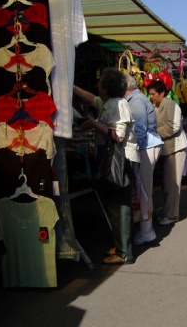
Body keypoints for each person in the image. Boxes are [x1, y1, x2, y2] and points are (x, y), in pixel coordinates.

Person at [73, 68, 140, 265]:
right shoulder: (110, 102)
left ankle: (125, 252)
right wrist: (71, 87)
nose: (97, 87)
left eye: (100, 84)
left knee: (120, 206)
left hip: (122, 159)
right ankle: (121, 245)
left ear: (106, 88)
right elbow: (92, 99)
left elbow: (117, 136)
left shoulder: (118, 105)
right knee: (114, 204)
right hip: (119, 159)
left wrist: (93, 123)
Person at [123, 74, 163, 245]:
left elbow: (139, 129)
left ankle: (147, 231)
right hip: (148, 146)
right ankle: (146, 228)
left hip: (146, 147)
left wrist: (134, 150)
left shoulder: (136, 100)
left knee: (144, 191)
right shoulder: (136, 99)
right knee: (144, 190)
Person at [148, 80, 187, 225]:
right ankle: (167, 212)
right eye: (150, 94)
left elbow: (173, 126)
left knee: (172, 184)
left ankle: (172, 215)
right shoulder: (158, 107)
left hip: (175, 148)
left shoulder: (170, 105)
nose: (151, 96)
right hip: (167, 149)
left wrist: (153, 133)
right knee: (167, 183)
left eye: (153, 94)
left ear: (162, 93)